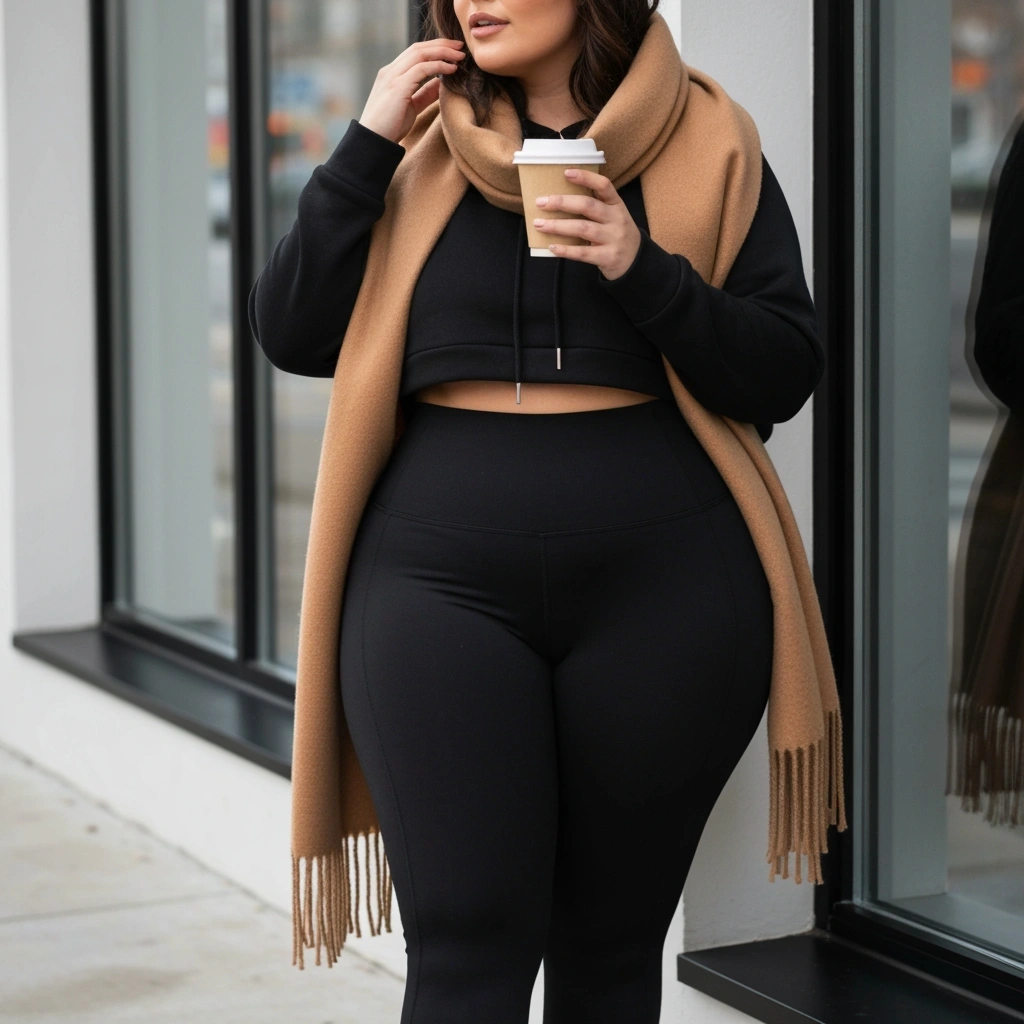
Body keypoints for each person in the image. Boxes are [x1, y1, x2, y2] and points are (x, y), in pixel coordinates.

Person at [249, 1, 823, 1020]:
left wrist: (640, 268)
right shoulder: (413, 143)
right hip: (433, 582)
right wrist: (365, 145)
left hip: (670, 589)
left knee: (608, 949)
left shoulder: (710, 138)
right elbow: (292, 331)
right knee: (464, 944)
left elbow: (780, 371)